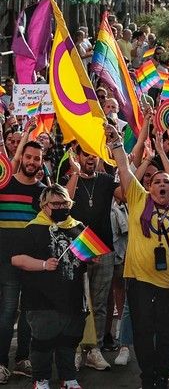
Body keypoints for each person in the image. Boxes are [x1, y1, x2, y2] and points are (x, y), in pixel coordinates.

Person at [104, 123, 169, 389]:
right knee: (142, 332)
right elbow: (125, 169)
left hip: (168, 284)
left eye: (167, 182)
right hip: (138, 282)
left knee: (166, 335)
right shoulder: (138, 199)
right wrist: (116, 142)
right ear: (149, 187)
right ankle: (147, 377)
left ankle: (162, 377)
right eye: (157, 181)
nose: (162, 184)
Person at [11, 184, 87, 389]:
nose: (61, 206)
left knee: (69, 342)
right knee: (42, 344)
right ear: (44, 206)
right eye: (56, 203)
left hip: (72, 298)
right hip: (41, 300)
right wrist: (43, 265)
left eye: (65, 203)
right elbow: (17, 259)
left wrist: (91, 258)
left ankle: (68, 378)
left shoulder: (78, 227)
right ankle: (41, 379)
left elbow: (84, 256)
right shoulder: (32, 229)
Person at [64, 145, 122, 371]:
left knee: (99, 303)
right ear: (77, 156)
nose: (90, 157)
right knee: (77, 303)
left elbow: (126, 196)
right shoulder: (69, 178)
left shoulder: (107, 180)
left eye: (93, 153)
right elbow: (64, 205)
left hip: (104, 248)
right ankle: (77, 349)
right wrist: (76, 173)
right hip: (78, 248)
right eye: (85, 153)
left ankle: (94, 350)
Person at [0, 139, 46, 384]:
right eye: (28, 157)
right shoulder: (3, 184)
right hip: (5, 261)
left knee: (29, 313)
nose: (32, 162)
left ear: (41, 161)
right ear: (21, 157)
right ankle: (0, 363)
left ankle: (22, 359)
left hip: (32, 263)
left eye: (37, 158)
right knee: (7, 313)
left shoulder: (42, 191)